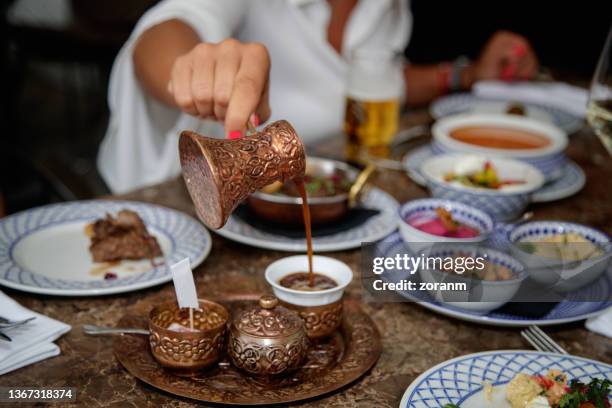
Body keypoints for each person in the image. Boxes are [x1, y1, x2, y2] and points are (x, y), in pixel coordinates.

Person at [98, 0, 538, 194]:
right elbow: (169, 28)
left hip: (316, 188)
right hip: (173, 204)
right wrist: (195, 66)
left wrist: (464, 74)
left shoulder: (386, 5)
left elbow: (374, 78)